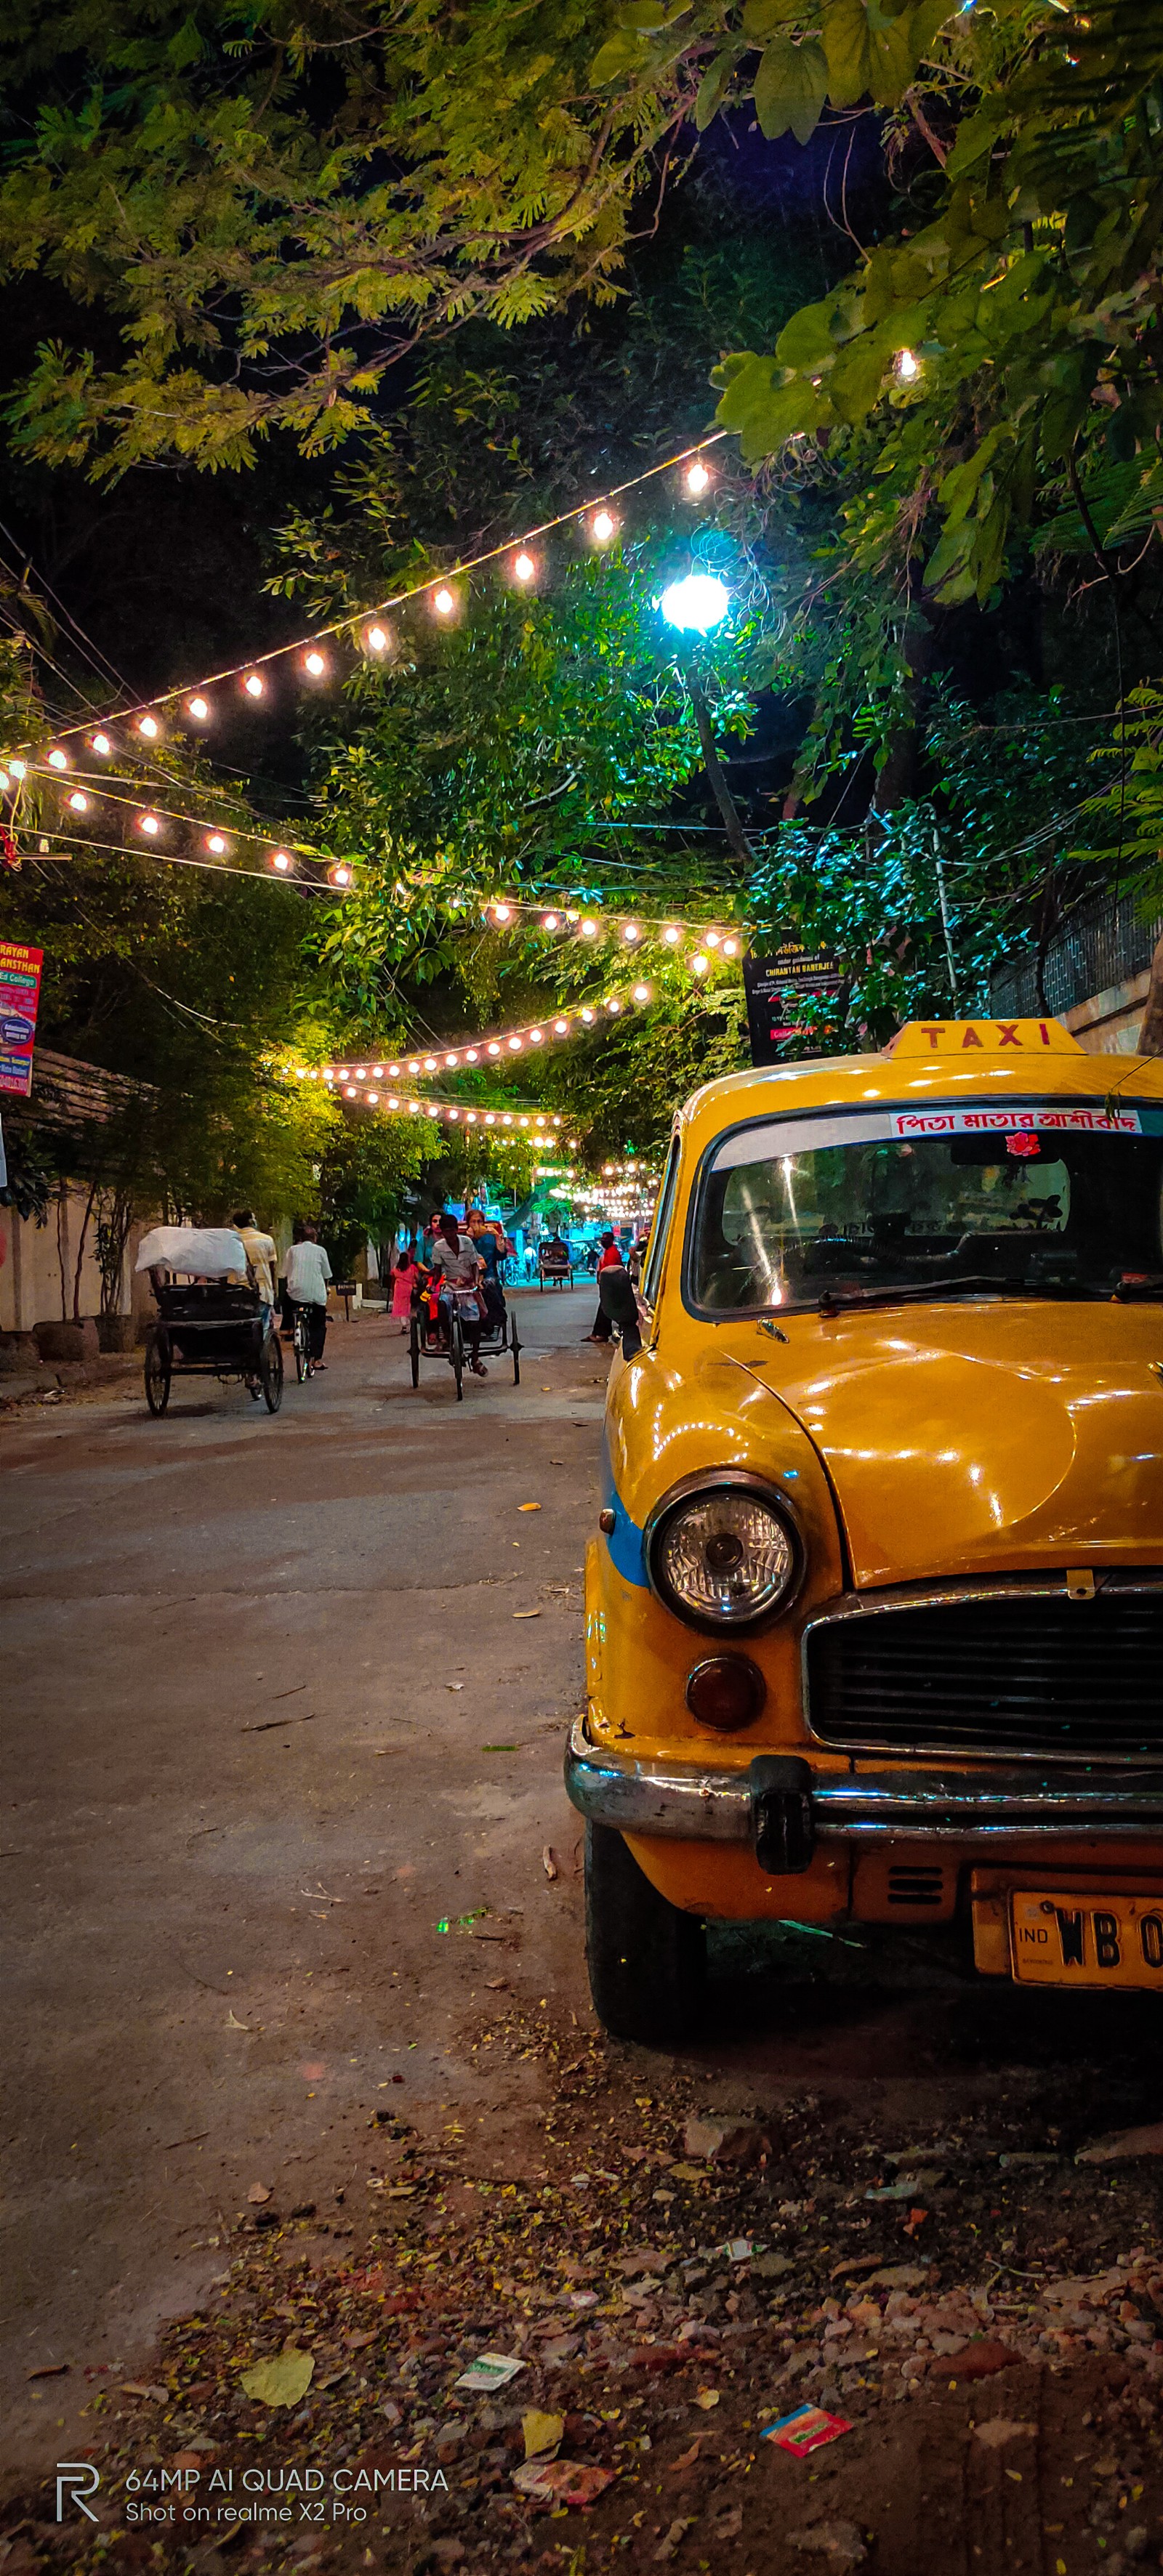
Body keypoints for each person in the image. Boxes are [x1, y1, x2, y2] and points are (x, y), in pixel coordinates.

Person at [427, 1211, 488, 1374]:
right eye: (445, 1231)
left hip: (468, 1285)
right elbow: (438, 1271)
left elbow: (475, 1265)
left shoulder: (467, 1243)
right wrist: (433, 1286)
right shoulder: (438, 1247)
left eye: (451, 1231)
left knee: (475, 1320)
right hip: (451, 1285)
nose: (448, 1234)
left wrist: (475, 1282)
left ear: (456, 1230)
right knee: (441, 1302)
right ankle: (448, 1337)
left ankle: (475, 1358)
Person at [285, 1219, 333, 1368]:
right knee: (319, 1325)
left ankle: (289, 1328)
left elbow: (284, 1272)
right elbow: (327, 1275)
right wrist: (326, 1290)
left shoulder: (292, 1250)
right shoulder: (321, 1251)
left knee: (288, 1303)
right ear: (315, 1238)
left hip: (295, 1294)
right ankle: (316, 1360)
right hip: (315, 1295)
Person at [232, 1208, 278, 1336]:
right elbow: (272, 1267)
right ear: (252, 1221)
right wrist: (274, 1290)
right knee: (262, 1329)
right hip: (262, 1292)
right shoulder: (266, 1240)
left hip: (236, 1293)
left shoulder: (231, 1241)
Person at [465, 1207, 504, 1331]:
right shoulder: (463, 1239)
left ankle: (492, 1318)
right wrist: (469, 1239)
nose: (477, 1225)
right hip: (468, 1276)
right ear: (468, 1224)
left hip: (489, 1275)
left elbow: (501, 1257)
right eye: (473, 1222)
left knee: (489, 1285)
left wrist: (498, 1239)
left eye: (479, 1222)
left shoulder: (490, 1237)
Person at [585, 1230, 624, 1344]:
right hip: (608, 1284)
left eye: (606, 1239)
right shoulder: (607, 1252)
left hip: (611, 1285)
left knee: (605, 1309)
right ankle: (600, 1333)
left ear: (611, 1241)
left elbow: (610, 1271)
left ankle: (600, 1334)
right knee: (605, 1309)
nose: (603, 1241)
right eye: (603, 1239)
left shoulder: (612, 1253)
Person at [390, 1242, 419, 1335]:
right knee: (408, 1306)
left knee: (400, 1306)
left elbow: (392, 1279)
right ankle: (409, 1322)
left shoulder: (395, 1269)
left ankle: (404, 1325)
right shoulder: (412, 1268)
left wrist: (392, 1290)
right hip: (408, 1288)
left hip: (398, 1289)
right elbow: (417, 1278)